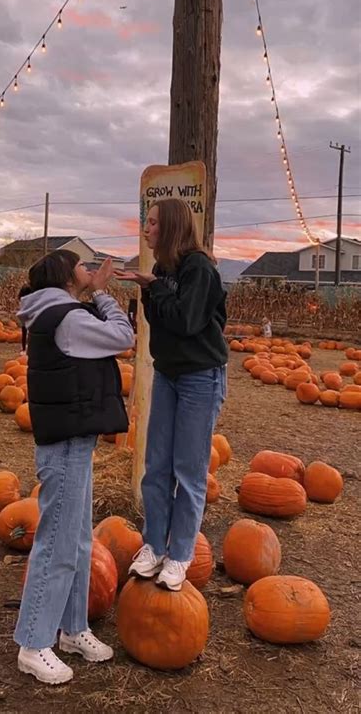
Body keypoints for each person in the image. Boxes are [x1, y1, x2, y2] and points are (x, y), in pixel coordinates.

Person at [14, 250, 134, 685]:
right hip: (65, 443)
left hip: (73, 438)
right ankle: (33, 641)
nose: (91, 270)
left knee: (80, 540)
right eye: (84, 266)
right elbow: (124, 336)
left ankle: (73, 628)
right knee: (58, 544)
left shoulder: (56, 312)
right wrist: (102, 294)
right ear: (67, 276)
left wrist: (93, 291)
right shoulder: (67, 317)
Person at [116, 198, 228, 592]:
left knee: (189, 471)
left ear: (171, 227)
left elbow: (185, 320)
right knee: (156, 464)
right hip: (167, 374)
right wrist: (152, 288)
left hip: (200, 377)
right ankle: (153, 546)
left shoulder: (199, 268)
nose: (145, 229)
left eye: (151, 223)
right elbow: (160, 321)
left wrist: (155, 287)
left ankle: (180, 555)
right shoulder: (163, 269)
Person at [18, 283, 32, 352]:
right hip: (30, 315)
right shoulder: (31, 299)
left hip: (23, 315)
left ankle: (23, 348)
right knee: (31, 332)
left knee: (24, 332)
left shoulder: (21, 299)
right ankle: (29, 347)